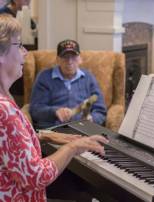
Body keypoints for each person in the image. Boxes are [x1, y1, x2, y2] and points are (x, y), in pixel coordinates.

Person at [0, 14, 108, 201]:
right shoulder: (4, 110)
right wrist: (73, 147)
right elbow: (36, 176)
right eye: (19, 45)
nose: (25, 52)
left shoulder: (5, 99)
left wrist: (44, 135)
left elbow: (9, 143)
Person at [29, 39, 107, 129]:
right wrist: (54, 112)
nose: (69, 62)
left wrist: (92, 119)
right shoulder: (45, 77)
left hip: (83, 129)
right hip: (54, 130)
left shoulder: (88, 78)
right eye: (65, 57)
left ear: (80, 59)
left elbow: (101, 110)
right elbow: (35, 109)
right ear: (57, 59)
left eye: (73, 57)